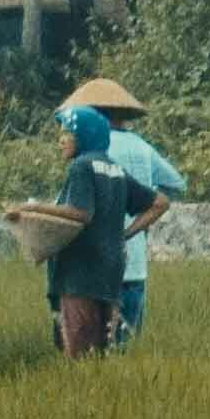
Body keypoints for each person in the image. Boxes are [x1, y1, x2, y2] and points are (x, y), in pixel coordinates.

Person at [59, 75, 183, 345]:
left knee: (89, 346)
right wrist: (130, 230)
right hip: (132, 259)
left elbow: (72, 209)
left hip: (92, 266)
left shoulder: (89, 153)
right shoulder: (142, 146)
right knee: (125, 345)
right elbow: (176, 183)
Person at [43, 101, 138, 358]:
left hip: (79, 274)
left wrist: (36, 210)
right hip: (109, 272)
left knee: (77, 354)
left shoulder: (81, 166)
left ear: (83, 135)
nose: (61, 141)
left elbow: (80, 213)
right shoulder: (115, 169)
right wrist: (125, 234)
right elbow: (159, 203)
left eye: (67, 134)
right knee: (102, 351)